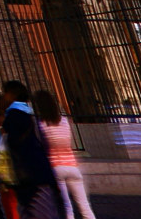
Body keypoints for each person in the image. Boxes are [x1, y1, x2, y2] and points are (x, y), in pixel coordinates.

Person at [0, 81, 60, 219]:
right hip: (35, 172)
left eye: (5, 93)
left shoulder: (14, 115)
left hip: (29, 173)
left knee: (37, 211)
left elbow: (10, 146)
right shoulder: (30, 114)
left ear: (11, 94)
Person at [34, 90, 94, 219]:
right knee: (85, 207)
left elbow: (43, 145)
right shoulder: (65, 121)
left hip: (55, 166)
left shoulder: (41, 123)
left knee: (66, 207)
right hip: (72, 165)